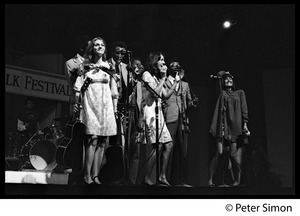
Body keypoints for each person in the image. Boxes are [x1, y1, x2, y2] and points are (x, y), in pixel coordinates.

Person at [73, 36, 118, 184]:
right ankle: (87, 175)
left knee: (102, 141)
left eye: (102, 45)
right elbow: (78, 87)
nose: (99, 47)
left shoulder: (109, 67)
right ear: (92, 48)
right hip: (90, 105)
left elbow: (113, 90)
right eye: (96, 45)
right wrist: (77, 103)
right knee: (92, 139)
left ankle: (96, 175)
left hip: (105, 107)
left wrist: (115, 108)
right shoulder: (85, 66)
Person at [139, 52, 180, 186]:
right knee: (157, 146)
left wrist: (175, 82)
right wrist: (163, 78)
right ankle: (146, 177)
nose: (163, 62)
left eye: (164, 59)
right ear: (154, 62)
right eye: (160, 59)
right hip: (150, 111)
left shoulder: (157, 78)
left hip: (159, 112)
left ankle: (162, 176)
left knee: (168, 144)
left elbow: (166, 95)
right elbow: (156, 93)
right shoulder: (147, 75)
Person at [208, 71, 250, 186]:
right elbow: (219, 79)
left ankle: (237, 180)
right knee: (219, 153)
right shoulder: (222, 93)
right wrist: (223, 74)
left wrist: (245, 125)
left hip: (236, 127)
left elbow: (244, 109)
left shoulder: (240, 93)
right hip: (224, 126)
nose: (229, 80)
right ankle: (210, 179)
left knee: (234, 155)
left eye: (231, 78)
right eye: (226, 79)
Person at [164, 59, 198, 187]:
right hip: (170, 116)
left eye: (177, 66)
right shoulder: (165, 82)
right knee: (168, 147)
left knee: (183, 149)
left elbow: (188, 102)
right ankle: (165, 179)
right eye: (173, 65)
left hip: (183, 118)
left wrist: (192, 103)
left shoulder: (185, 85)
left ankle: (182, 180)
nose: (175, 67)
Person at [125, 57, 144, 185]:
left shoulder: (142, 83)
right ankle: (122, 178)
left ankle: (132, 182)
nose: (138, 67)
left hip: (137, 116)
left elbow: (144, 103)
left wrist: (141, 119)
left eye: (140, 65)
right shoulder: (127, 80)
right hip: (126, 114)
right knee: (124, 148)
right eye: (136, 65)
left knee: (135, 151)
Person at [65, 35, 91, 116]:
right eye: (89, 47)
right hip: (77, 102)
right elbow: (70, 84)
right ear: (82, 48)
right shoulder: (70, 63)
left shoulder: (94, 63)